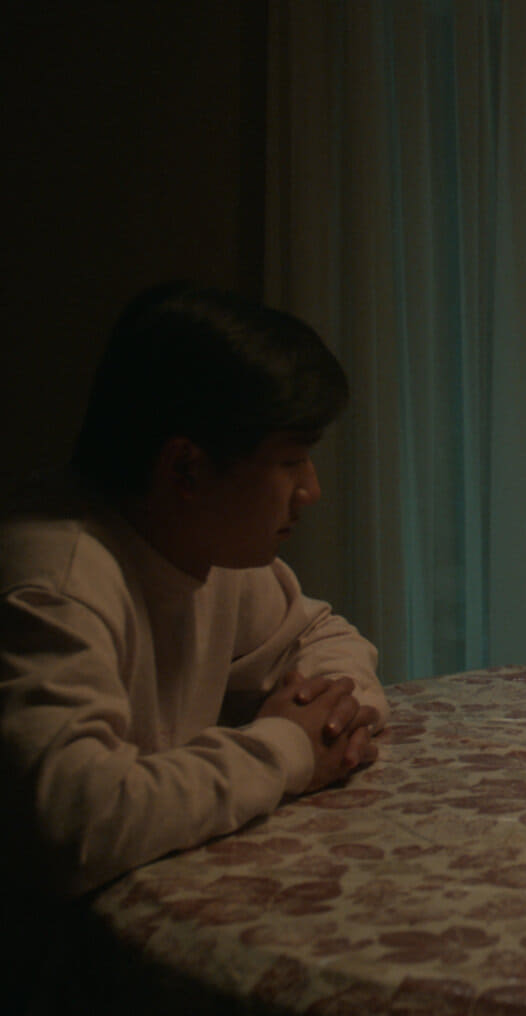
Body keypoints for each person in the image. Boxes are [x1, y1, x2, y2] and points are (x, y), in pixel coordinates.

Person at [0, 283, 387, 907]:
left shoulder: (200, 543)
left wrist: (330, 717)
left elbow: (321, 634)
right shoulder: (58, 583)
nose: (310, 491)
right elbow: (74, 824)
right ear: (187, 468)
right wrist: (286, 748)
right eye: (291, 461)